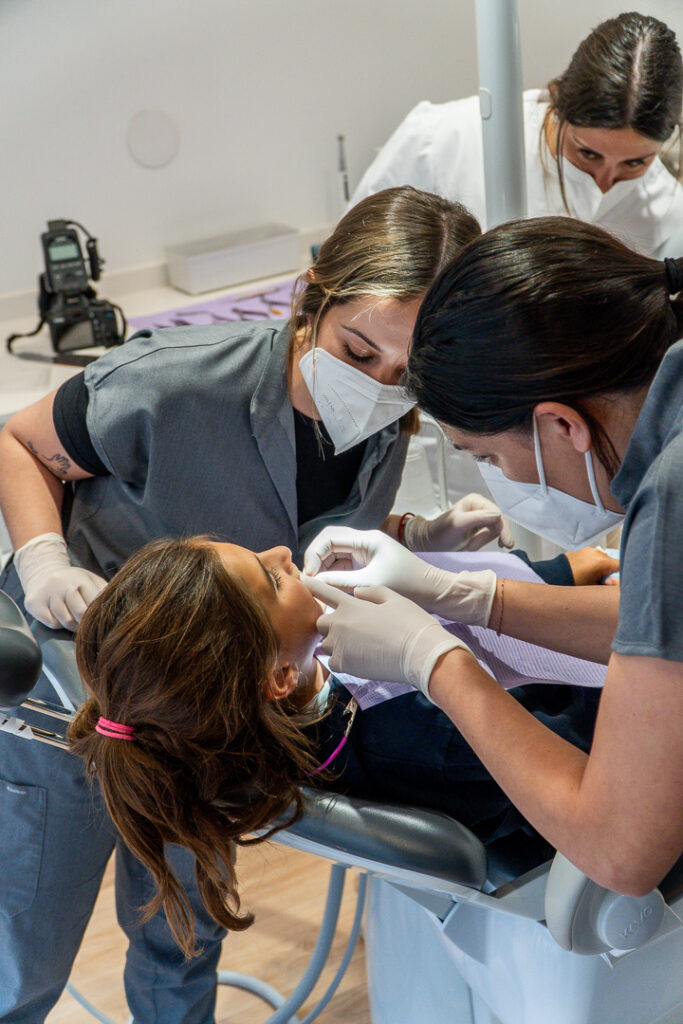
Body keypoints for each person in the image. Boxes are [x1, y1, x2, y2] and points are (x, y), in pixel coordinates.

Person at [0, 187, 510, 1024]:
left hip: (210, 718)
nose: (380, 383)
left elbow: (302, 532)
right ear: (313, 294)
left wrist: (414, 532)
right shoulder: (172, 386)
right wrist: (44, 557)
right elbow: (22, 442)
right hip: (74, 680)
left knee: (184, 936)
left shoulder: (383, 422)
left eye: (407, 369)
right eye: (358, 349)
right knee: (24, 948)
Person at [304, 217, 683, 898]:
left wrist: (437, 663)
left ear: (559, 424)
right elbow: (666, 618)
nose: (496, 481)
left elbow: (620, 850)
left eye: (487, 458)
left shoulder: (673, 492)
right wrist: (470, 597)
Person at [67, 535, 608, 957]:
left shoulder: (298, 711)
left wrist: (551, 578)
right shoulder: (419, 743)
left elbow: (467, 617)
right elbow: (594, 756)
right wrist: (621, 619)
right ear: (278, 678)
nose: (283, 552)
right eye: (273, 579)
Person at [351, 12, 683, 256]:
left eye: (635, 163)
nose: (604, 179)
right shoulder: (440, 139)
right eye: (588, 154)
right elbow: (351, 255)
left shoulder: (666, 213)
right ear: (556, 97)